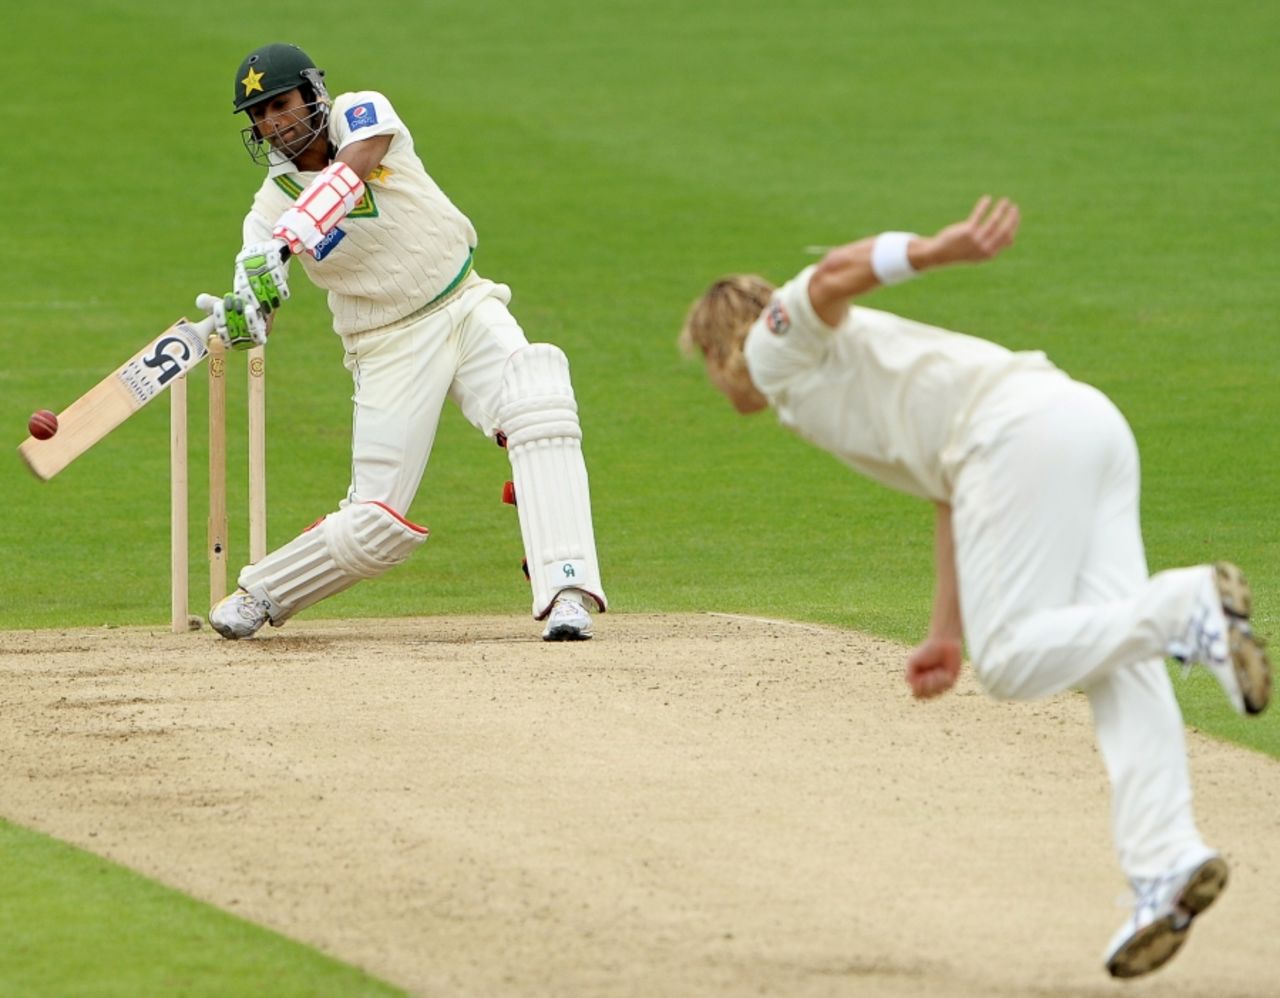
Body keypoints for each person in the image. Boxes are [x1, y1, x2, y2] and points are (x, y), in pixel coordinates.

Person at [678, 195, 1271, 978]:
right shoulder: (823, 374)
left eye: (707, 369)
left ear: (723, 350)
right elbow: (949, 495)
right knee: (1115, 657)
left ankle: (1185, 608)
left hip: (1014, 437)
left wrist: (933, 250)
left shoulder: (771, 350)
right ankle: (1165, 862)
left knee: (1017, 661)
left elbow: (830, 275)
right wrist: (943, 631)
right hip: (1081, 423)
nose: (721, 390)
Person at [206, 42, 606, 641]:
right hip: (385, 345)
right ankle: (263, 592)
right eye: (258, 115)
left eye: (279, 104)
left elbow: (359, 162)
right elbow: (260, 305)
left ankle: (567, 589)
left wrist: (288, 241)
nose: (270, 122)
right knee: (374, 523)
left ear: (313, 94)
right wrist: (245, 314)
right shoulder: (265, 213)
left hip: (465, 304)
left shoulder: (359, 113)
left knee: (540, 401)